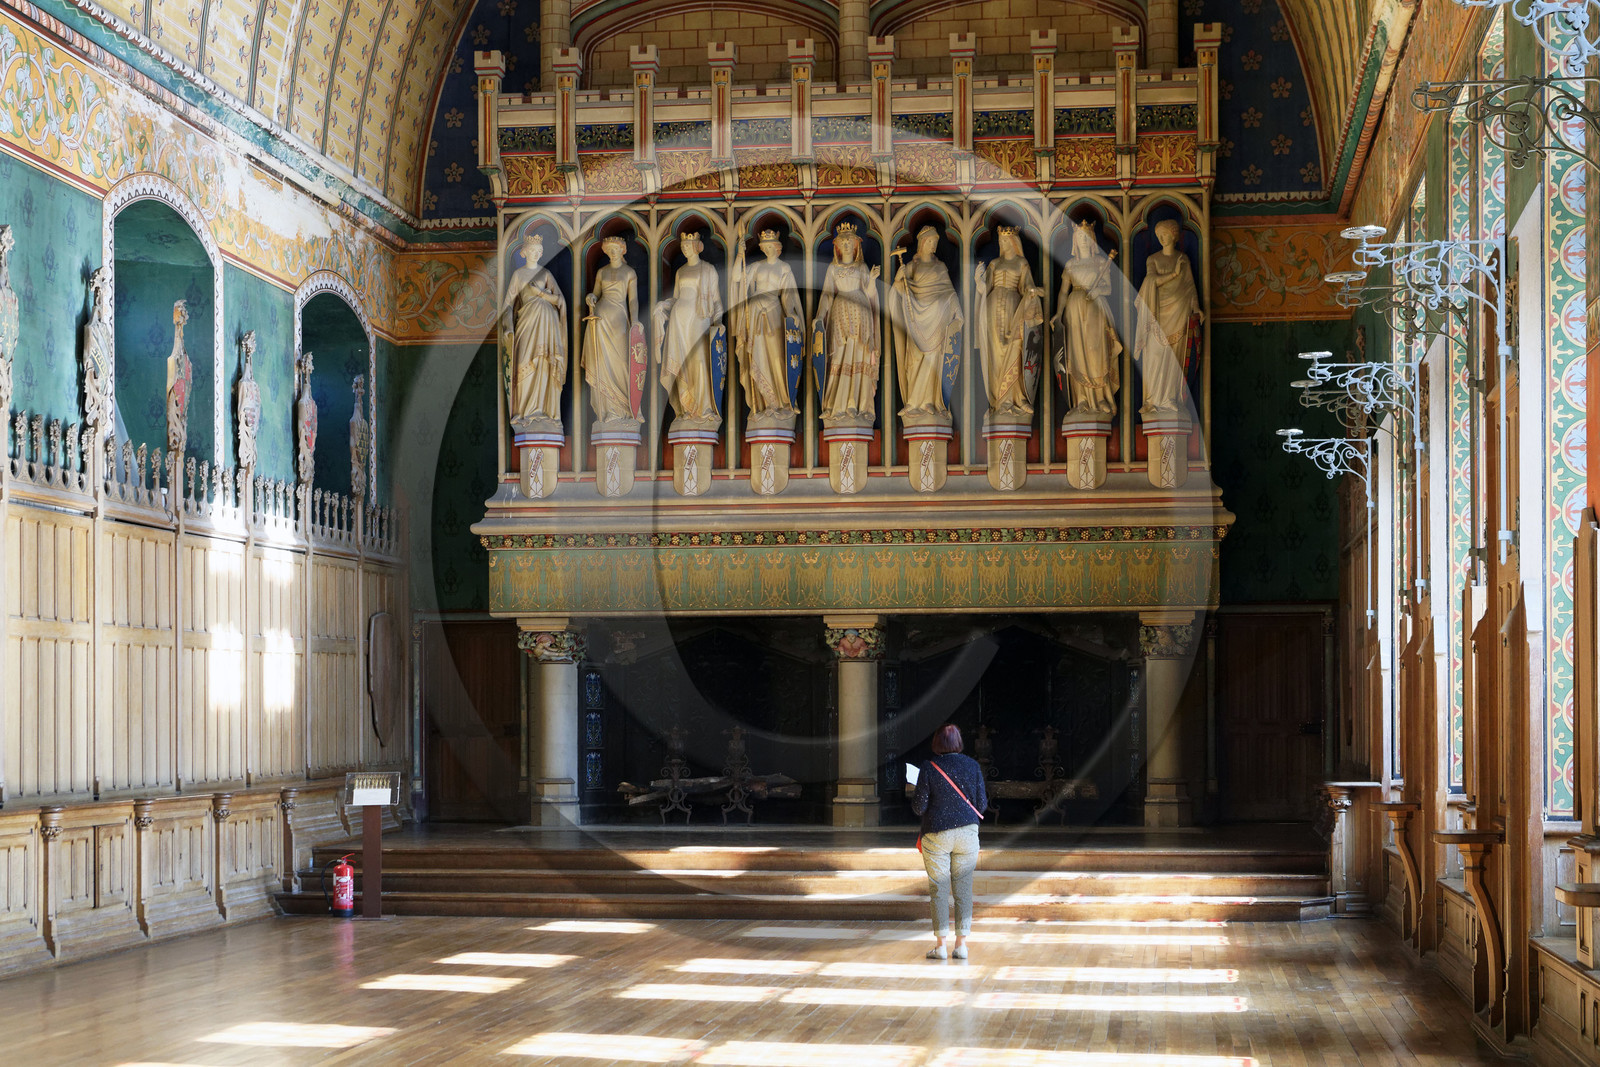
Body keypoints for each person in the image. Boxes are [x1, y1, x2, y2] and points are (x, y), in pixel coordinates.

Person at [912, 723, 988, 960]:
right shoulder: (973, 766)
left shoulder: (929, 767)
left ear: (936, 742)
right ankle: (962, 946)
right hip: (967, 835)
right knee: (963, 890)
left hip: (936, 835)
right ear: (959, 742)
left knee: (939, 890)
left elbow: (919, 807)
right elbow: (982, 804)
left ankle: (941, 947)